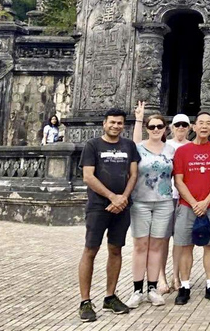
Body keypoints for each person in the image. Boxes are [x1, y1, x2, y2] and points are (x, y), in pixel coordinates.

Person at [77, 108, 139, 322]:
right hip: (98, 206)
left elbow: (133, 175)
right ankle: (85, 301)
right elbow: (88, 176)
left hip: (122, 206)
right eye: (112, 122)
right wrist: (113, 197)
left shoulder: (129, 146)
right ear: (104, 123)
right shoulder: (92, 145)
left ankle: (110, 296)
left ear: (124, 125)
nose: (115, 126)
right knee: (90, 250)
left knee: (116, 249)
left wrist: (123, 198)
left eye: (120, 123)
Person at [172, 112, 210, 305]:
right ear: (193, 127)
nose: (204, 126)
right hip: (187, 206)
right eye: (200, 123)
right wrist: (195, 203)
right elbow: (178, 180)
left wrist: (205, 202)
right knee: (185, 245)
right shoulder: (182, 152)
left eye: (208, 124)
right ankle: (185, 286)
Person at [126, 105, 175, 309]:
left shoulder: (171, 150)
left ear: (165, 128)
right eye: (152, 126)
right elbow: (134, 143)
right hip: (141, 201)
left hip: (164, 202)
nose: (156, 129)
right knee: (140, 246)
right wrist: (138, 119)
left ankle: (153, 288)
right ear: (147, 128)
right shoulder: (138, 148)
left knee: (156, 246)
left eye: (159, 126)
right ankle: (137, 290)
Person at [163, 113, 191, 293]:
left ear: (189, 128)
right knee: (163, 239)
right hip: (167, 197)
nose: (180, 128)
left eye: (184, 125)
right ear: (172, 127)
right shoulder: (165, 146)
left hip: (184, 198)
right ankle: (161, 278)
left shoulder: (191, 147)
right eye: (177, 125)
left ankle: (176, 276)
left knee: (180, 241)